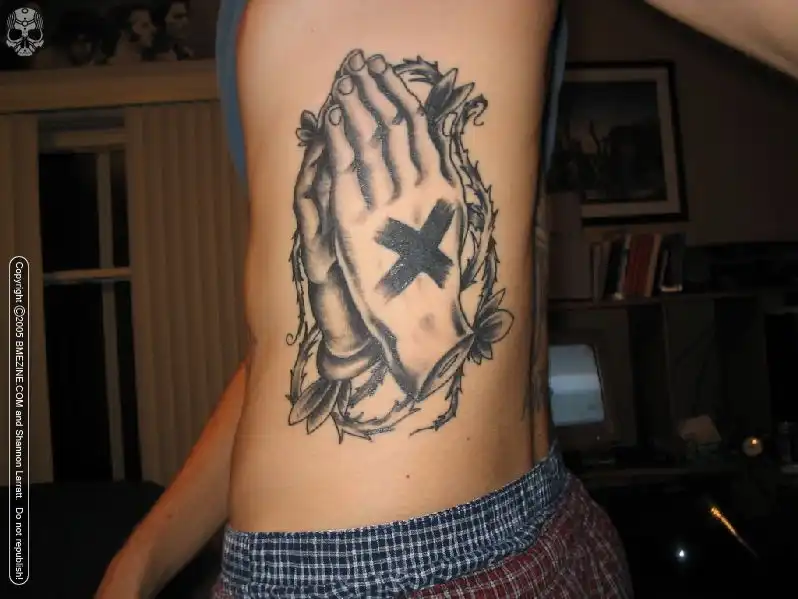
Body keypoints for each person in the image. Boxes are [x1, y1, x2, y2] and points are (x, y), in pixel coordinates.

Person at [95, 1, 798, 597]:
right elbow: (278, 356)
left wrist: (428, 334)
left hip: (460, 551)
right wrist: (139, 563)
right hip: (539, 522)